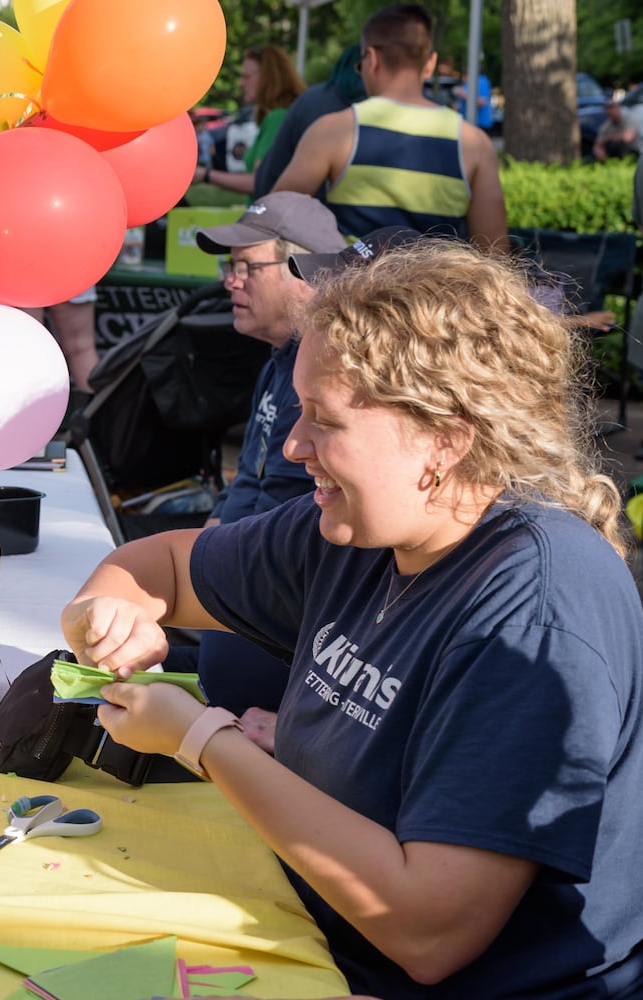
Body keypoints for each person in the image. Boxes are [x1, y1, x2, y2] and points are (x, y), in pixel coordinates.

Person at [60, 237, 643, 996]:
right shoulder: (359, 526)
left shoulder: (533, 609)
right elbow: (162, 565)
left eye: (323, 421)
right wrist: (104, 613)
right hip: (311, 937)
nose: (292, 445)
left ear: (444, 442)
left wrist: (203, 738)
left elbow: (428, 931)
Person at [182, 192, 347, 718]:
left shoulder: (333, 376)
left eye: (246, 268)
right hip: (233, 611)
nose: (230, 281)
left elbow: (299, 528)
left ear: (304, 272)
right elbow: (244, 488)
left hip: (275, 662)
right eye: (229, 267)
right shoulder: (281, 363)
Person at [272, 3, 507, 250]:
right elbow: (494, 251)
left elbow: (273, 216)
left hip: (349, 286)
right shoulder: (473, 143)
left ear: (371, 59)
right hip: (435, 287)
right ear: (430, 64)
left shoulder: (334, 130)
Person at [253, 43, 366, 198]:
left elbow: (269, 176)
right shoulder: (398, 110)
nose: (241, 83)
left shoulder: (312, 103)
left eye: (246, 77)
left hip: (306, 215)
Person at [192, 44, 305, 197]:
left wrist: (206, 175)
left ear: (268, 77)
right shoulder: (281, 116)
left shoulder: (277, 118)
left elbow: (257, 183)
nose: (241, 83)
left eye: (246, 77)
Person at [450, 65, 493, 130]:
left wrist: (462, 94)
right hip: (468, 122)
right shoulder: (468, 82)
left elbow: (482, 102)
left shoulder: (482, 81)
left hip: (480, 123)